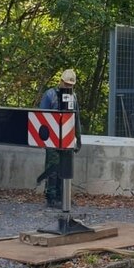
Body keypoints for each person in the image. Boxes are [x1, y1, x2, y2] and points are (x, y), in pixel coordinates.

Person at [37, 68, 81, 208]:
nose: (68, 87)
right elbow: (42, 118)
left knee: (65, 168)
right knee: (53, 167)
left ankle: (63, 197)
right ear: (61, 81)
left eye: (70, 85)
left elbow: (76, 118)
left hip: (67, 138)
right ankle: (51, 197)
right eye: (66, 84)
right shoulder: (50, 95)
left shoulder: (73, 97)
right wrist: (43, 139)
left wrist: (78, 139)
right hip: (52, 139)